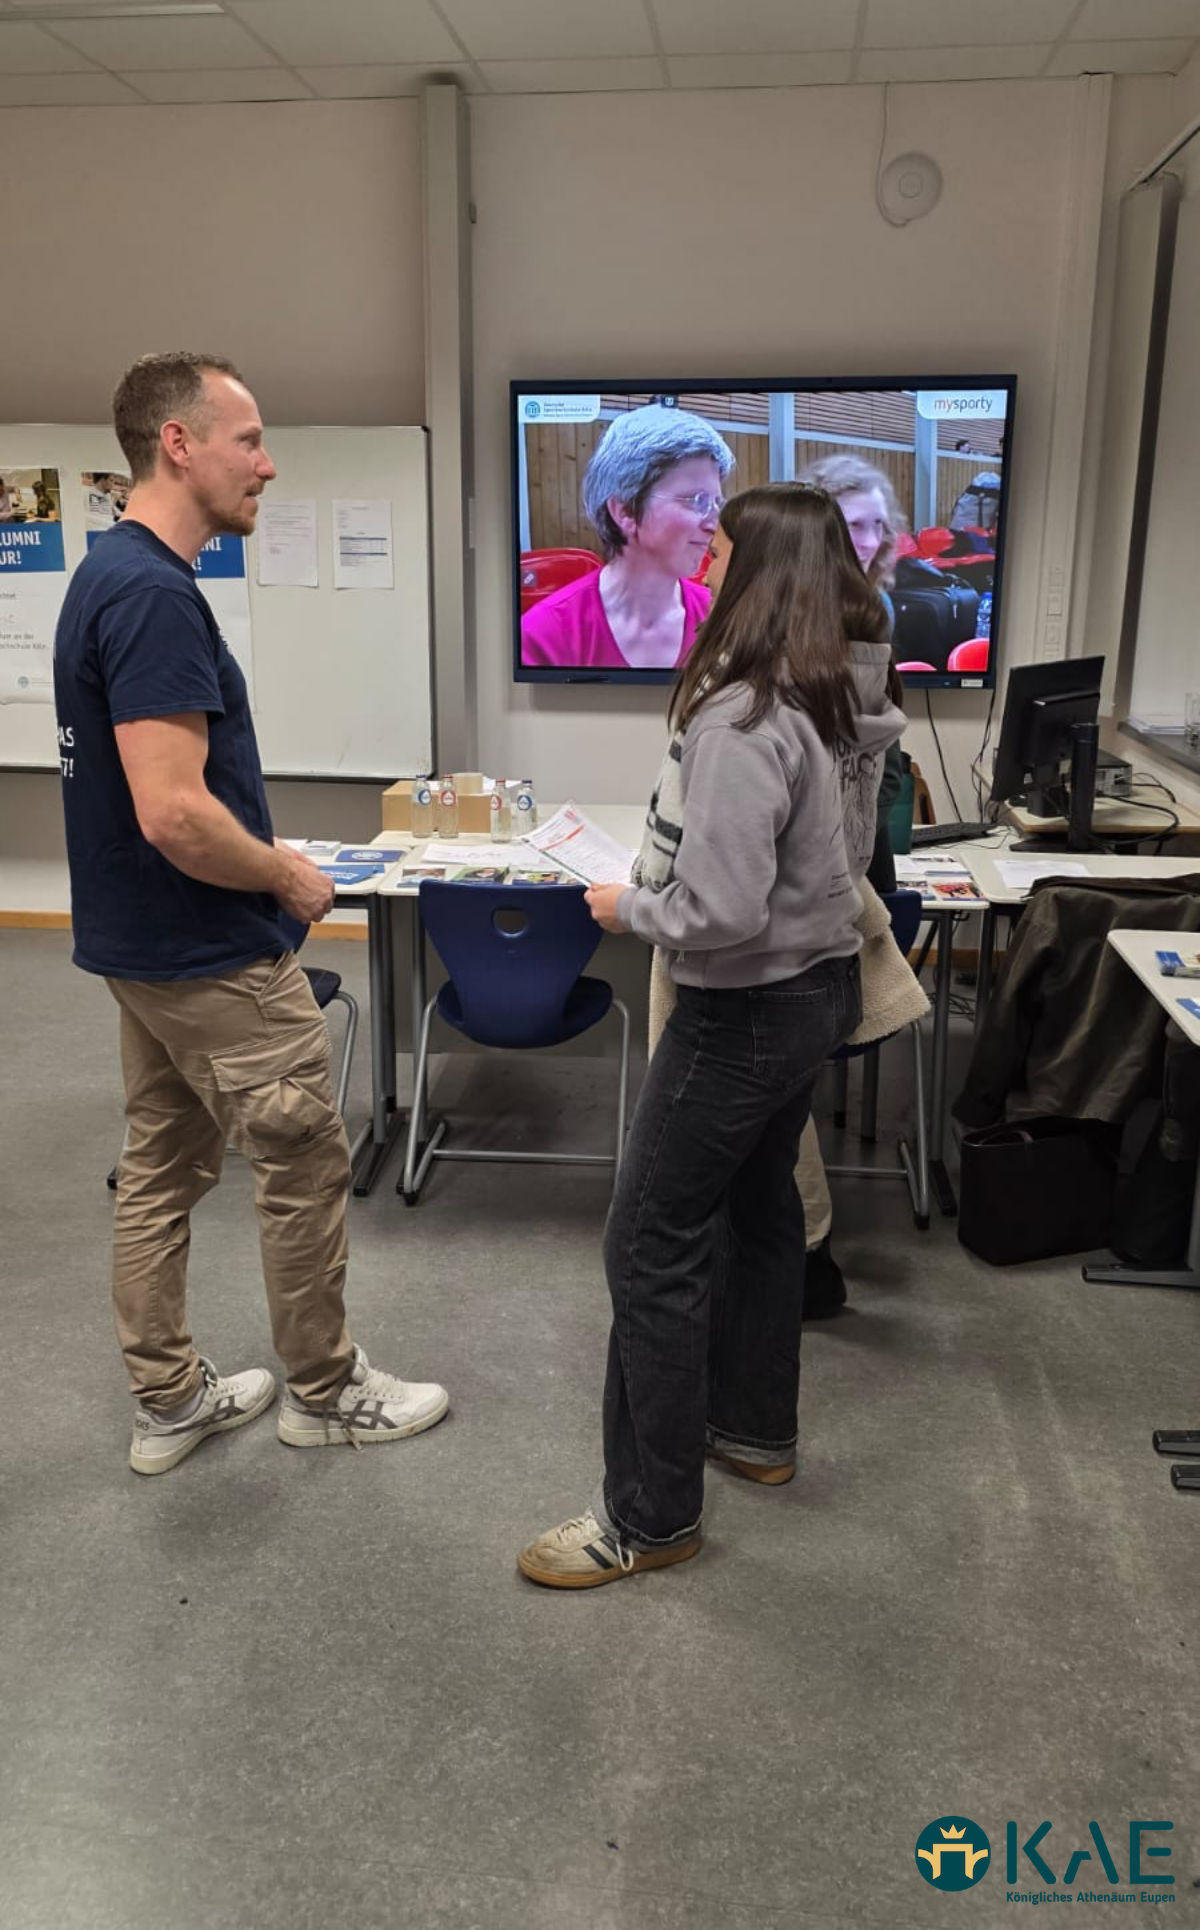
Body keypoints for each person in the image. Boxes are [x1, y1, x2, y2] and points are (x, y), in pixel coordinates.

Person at [53, 351, 449, 1476]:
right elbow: (175, 813)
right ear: (178, 444)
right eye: (250, 440)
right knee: (303, 1162)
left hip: (144, 947)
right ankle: (325, 1391)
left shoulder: (110, 572)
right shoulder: (150, 595)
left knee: (163, 1167)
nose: (267, 466)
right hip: (211, 952)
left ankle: (170, 1399)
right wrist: (283, 875)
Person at [517, 483, 904, 1588]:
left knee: (648, 1242)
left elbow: (720, 910)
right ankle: (754, 1430)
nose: (706, 559)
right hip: (816, 989)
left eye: (722, 547)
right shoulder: (839, 694)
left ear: (758, 572)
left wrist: (626, 907)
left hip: (743, 1010)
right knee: (760, 1208)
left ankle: (647, 1518)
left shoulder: (742, 716)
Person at [520, 404, 734, 669]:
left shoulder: (723, 619)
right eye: (697, 501)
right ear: (625, 511)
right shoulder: (544, 636)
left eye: (716, 504)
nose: (714, 525)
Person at [796, 452, 904, 633]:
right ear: (813, 527)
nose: (871, 543)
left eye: (878, 523)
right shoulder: (775, 603)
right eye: (854, 525)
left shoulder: (877, 605)